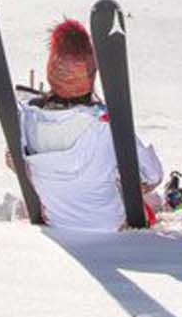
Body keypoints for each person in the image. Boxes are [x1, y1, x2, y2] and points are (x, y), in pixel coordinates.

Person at [14, 18, 163, 230]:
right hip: (113, 227)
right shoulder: (105, 125)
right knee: (141, 203)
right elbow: (153, 175)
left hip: (57, 225)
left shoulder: (25, 119)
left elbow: (17, 163)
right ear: (91, 74)